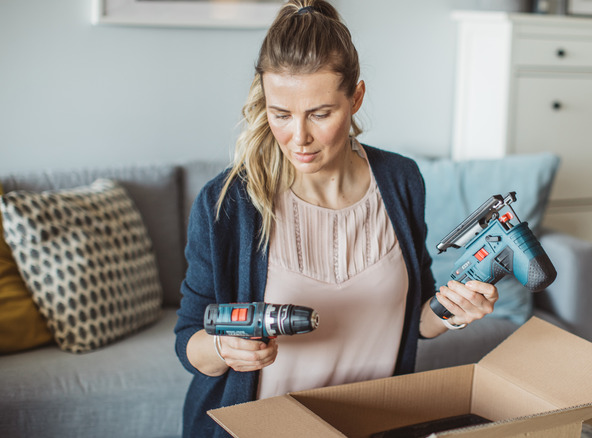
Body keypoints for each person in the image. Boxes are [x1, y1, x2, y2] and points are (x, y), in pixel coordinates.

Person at [173, 1, 498, 436]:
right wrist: (224, 348)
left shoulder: (400, 181)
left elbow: (414, 321)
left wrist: (455, 311)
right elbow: (188, 341)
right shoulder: (230, 201)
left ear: (356, 97)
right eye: (280, 115)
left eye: (320, 114)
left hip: (371, 424)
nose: (298, 137)